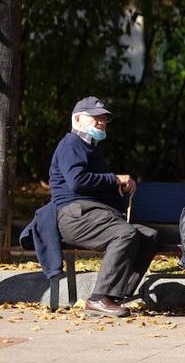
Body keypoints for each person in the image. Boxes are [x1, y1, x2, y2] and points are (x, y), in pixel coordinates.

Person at [48, 97, 159, 317]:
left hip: (93, 213)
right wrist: (114, 179)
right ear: (78, 119)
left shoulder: (90, 148)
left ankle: (116, 295)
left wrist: (120, 187)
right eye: (96, 118)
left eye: (104, 119)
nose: (102, 123)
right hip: (75, 215)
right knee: (125, 235)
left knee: (149, 235)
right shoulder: (72, 144)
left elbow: (95, 183)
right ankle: (98, 298)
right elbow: (77, 181)